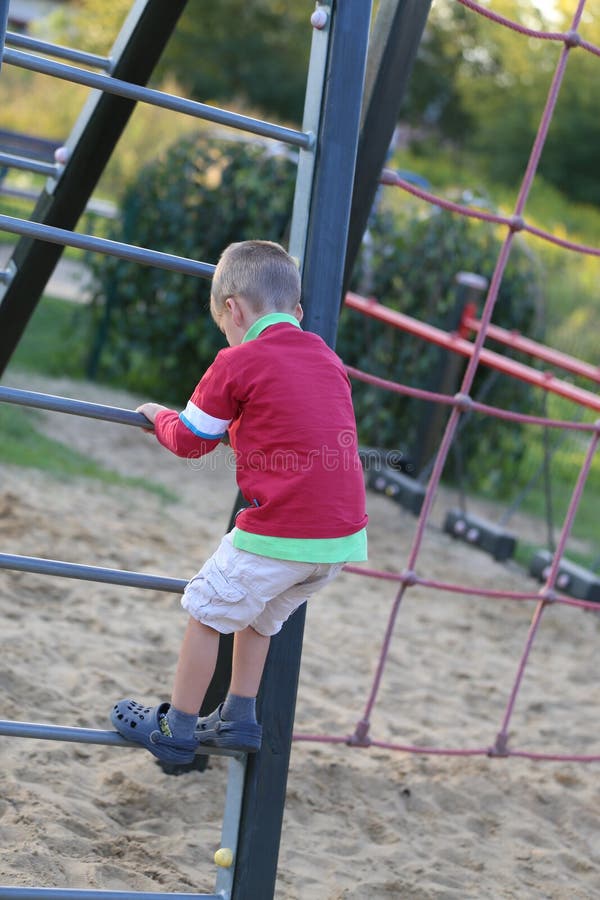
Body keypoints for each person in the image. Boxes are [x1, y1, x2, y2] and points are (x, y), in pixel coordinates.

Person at [110, 240, 368, 763]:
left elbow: (189, 439)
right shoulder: (328, 360)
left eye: (223, 325)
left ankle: (177, 729)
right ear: (295, 311)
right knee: (259, 617)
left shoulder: (238, 360)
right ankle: (238, 715)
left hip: (282, 531)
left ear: (233, 310)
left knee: (205, 610)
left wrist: (156, 414)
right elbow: (291, 430)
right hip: (341, 541)